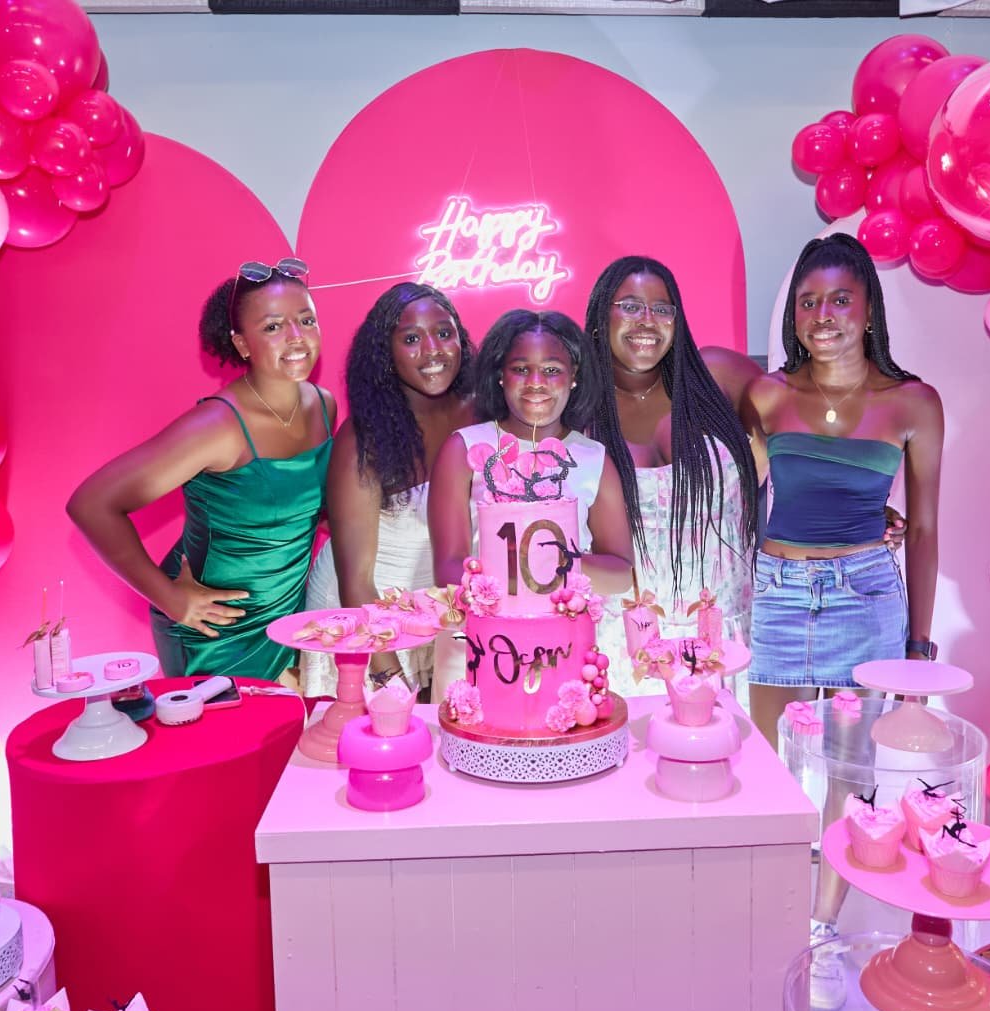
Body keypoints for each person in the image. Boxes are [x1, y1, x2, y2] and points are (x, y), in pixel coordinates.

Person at [720, 233, 944, 998]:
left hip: (867, 598)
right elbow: (737, 491)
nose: (823, 316)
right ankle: (768, 915)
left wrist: (918, 645)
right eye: (808, 302)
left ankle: (819, 931)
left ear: (869, 309)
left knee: (852, 776)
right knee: (770, 768)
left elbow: (924, 527)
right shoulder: (767, 395)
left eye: (840, 300)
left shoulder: (913, 403)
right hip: (778, 593)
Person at [67, 259, 334, 682]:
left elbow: (303, 506)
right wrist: (171, 599)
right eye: (273, 326)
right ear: (242, 344)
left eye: (306, 320)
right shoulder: (218, 427)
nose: (297, 337)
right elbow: (92, 504)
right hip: (217, 632)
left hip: (288, 616)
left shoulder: (323, 404)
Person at [580, 257, 760, 694]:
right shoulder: (575, 405)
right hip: (619, 647)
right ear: (601, 318)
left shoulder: (721, 378)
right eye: (630, 306)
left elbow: (801, 435)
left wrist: (866, 507)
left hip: (723, 638)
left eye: (661, 309)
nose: (647, 320)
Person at [301, 284, 475, 695]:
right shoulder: (364, 438)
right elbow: (356, 580)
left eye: (444, 333)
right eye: (411, 339)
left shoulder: (482, 410)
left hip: (433, 612)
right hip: (365, 614)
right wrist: (389, 680)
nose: (433, 350)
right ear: (385, 353)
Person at [428, 310, 634, 631]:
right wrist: (508, 580)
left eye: (551, 370)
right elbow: (447, 567)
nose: (536, 382)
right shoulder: (463, 448)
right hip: (480, 638)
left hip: (563, 640)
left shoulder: (594, 458)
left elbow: (621, 573)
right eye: (521, 369)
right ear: (500, 374)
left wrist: (557, 565)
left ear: (574, 376)